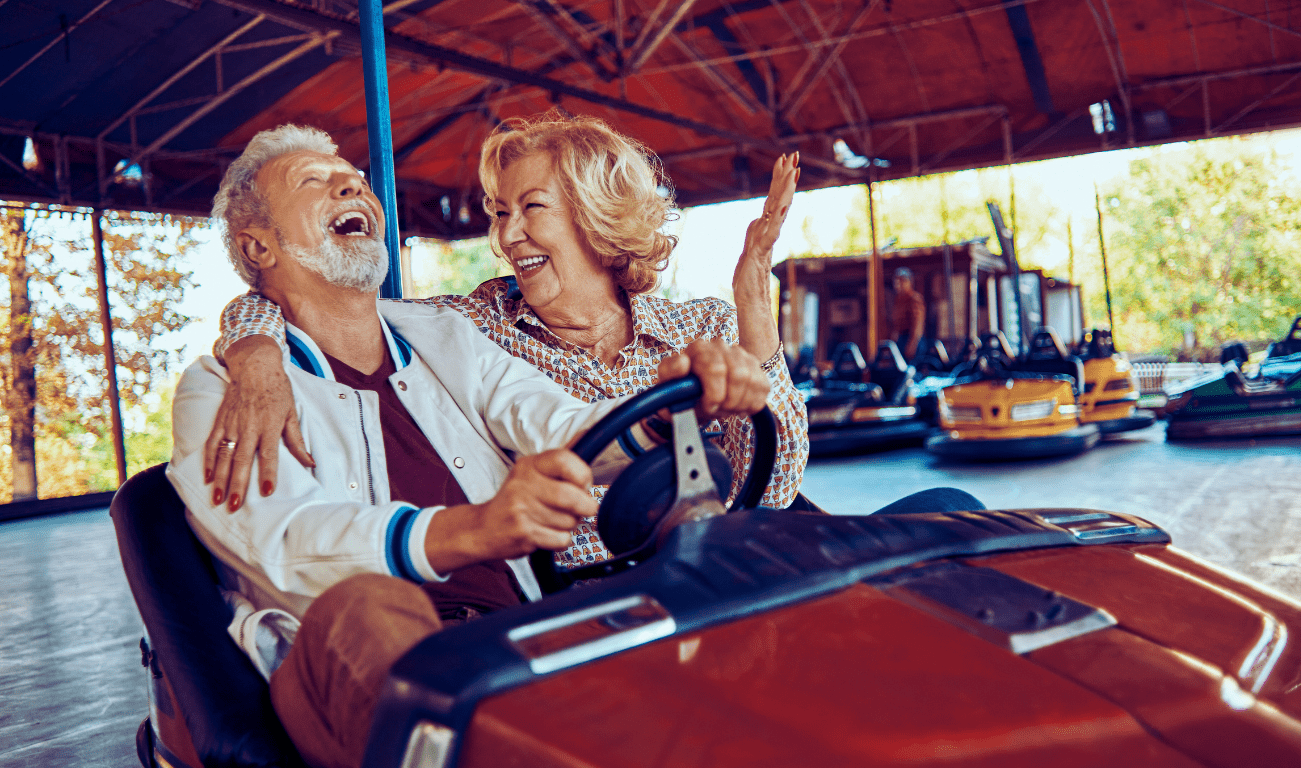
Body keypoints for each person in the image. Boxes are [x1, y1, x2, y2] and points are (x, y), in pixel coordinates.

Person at [165, 125, 772, 768]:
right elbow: (285, 537)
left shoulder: (444, 335)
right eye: (312, 181)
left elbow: (558, 424)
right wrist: (475, 529)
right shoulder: (221, 391)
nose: (351, 185)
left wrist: (670, 406)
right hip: (348, 664)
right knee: (367, 603)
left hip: (510, 639)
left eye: (355, 179)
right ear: (258, 245)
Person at [205, 113, 807, 569]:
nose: (508, 234)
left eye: (531, 207)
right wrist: (254, 348)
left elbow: (774, 490)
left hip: (711, 566)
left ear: (595, 216)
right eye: (499, 212)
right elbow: (332, 300)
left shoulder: (698, 329)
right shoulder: (475, 329)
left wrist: (754, 302)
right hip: (586, 590)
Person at [889, 267, 925, 361]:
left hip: (912, 339)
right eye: (897, 282)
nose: (899, 285)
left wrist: (912, 344)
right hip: (901, 339)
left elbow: (918, 323)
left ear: (909, 282)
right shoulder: (898, 300)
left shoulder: (914, 299)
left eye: (902, 281)